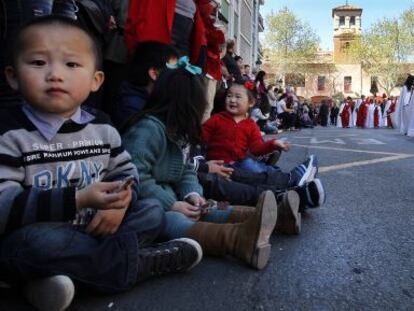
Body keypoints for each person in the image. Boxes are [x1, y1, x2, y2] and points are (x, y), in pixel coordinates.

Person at [0, 16, 202, 311]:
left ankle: (56, 279)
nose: (55, 74)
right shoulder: (10, 133)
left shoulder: (103, 128)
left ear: (96, 80)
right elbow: (4, 206)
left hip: (100, 228)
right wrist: (78, 199)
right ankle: (138, 265)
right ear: (13, 76)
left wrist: (120, 205)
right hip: (44, 235)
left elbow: (127, 174)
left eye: (71, 65)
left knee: (151, 211)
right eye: (38, 62)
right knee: (33, 245)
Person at [122, 65, 278, 270]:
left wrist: (193, 194)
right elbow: (136, 177)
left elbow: (185, 170)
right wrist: (172, 204)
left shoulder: (177, 131)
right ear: (186, 105)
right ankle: (238, 240)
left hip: (173, 197)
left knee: (210, 206)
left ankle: (270, 218)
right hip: (146, 208)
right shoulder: (148, 130)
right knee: (173, 220)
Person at [202, 82, 299, 174]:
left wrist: (274, 143)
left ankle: (285, 177)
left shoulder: (251, 125)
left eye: (238, 97)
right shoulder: (217, 118)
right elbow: (201, 137)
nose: (232, 100)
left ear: (251, 103)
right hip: (216, 165)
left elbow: (256, 148)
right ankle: (270, 170)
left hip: (239, 164)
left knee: (252, 167)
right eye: (229, 96)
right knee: (251, 167)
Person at [114, 41, 179, 129]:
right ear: (154, 74)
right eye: (174, 71)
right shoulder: (132, 107)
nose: (179, 76)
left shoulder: (155, 98)